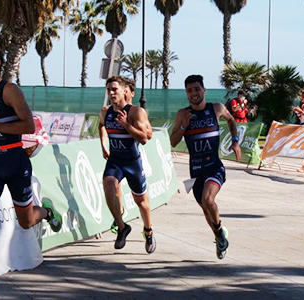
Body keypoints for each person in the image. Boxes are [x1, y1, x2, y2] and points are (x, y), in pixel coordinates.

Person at [0, 43, 63, 299]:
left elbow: (28, 125)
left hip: (16, 161)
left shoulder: (10, 90)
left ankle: (47, 211)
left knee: (26, 220)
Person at [169, 75, 241, 260]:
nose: (193, 93)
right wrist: (184, 125)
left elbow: (232, 121)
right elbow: (173, 141)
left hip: (214, 167)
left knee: (208, 200)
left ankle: (219, 233)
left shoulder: (216, 109)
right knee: (206, 209)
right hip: (196, 171)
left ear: (204, 90)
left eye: (196, 89)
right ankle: (219, 236)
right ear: (186, 93)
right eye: (190, 90)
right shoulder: (182, 114)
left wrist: (235, 142)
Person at [99, 75, 156, 254]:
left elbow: (145, 138)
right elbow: (101, 125)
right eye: (108, 90)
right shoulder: (105, 111)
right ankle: (122, 226)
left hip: (132, 162)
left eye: (114, 89)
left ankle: (148, 231)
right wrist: (103, 145)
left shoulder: (135, 112)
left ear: (125, 91)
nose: (111, 93)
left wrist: (126, 125)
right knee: (108, 186)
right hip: (115, 160)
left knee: (142, 202)